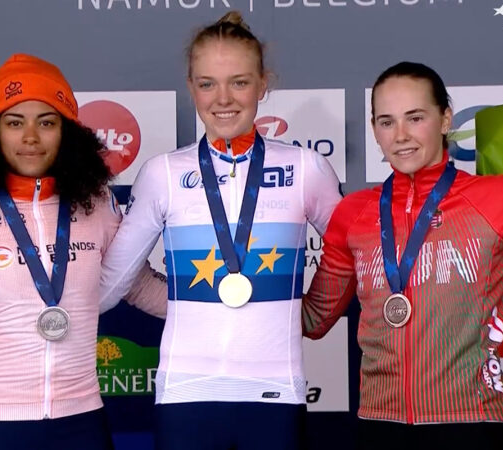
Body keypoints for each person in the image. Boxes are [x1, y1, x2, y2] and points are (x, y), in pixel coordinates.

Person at [98, 11, 341, 450]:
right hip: (185, 391)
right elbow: (112, 283)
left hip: (274, 389)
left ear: (263, 84)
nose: (223, 98)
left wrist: (312, 313)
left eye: (239, 82)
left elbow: (354, 251)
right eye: (207, 83)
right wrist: (183, 304)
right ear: (191, 87)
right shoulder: (163, 173)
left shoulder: (305, 168)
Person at [303, 61, 503, 450]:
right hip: (380, 425)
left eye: (415, 117)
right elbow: (315, 318)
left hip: (472, 425)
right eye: (386, 122)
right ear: (374, 130)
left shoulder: (500, 199)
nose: (401, 135)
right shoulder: (353, 213)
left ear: (445, 119)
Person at [0, 53, 123, 450]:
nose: (30, 137)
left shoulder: (98, 207)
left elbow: (137, 284)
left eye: (46, 122)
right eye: (14, 122)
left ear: (67, 133)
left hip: (83, 419)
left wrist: (239, 308)